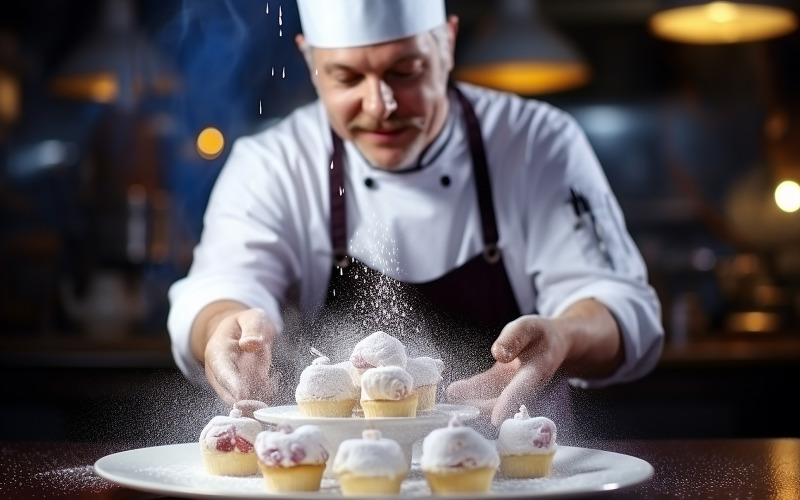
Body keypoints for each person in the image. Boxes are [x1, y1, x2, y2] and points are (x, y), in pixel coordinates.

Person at [167, 0, 663, 432]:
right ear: (309, 60)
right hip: (338, 477)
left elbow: (621, 307)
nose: (379, 105)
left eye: (404, 71)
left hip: (516, 470)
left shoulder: (538, 142)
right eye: (346, 77)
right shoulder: (273, 162)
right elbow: (220, 288)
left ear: (446, 43)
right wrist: (226, 326)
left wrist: (565, 335)